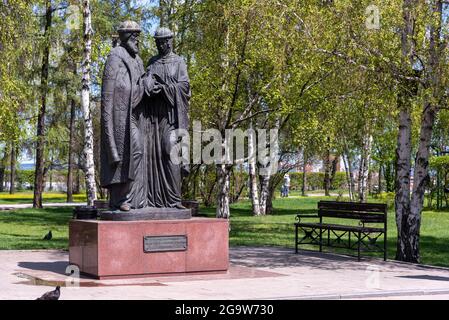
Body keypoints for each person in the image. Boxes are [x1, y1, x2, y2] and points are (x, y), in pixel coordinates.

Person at [140, 27, 191, 208]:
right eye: (159, 42)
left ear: (171, 41)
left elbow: (184, 87)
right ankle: (154, 199)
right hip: (153, 118)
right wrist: (149, 86)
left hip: (171, 117)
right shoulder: (152, 62)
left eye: (165, 41)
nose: (162, 45)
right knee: (153, 156)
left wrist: (165, 88)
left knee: (170, 152)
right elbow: (145, 82)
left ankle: (174, 199)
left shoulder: (178, 62)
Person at [100, 21, 146, 211]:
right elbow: (107, 96)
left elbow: (141, 83)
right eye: (134, 36)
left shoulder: (137, 60)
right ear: (126, 36)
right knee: (127, 153)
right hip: (120, 118)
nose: (137, 41)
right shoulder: (115, 57)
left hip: (135, 115)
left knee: (138, 151)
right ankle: (120, 198)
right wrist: (109, 143)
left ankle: (132, 197)